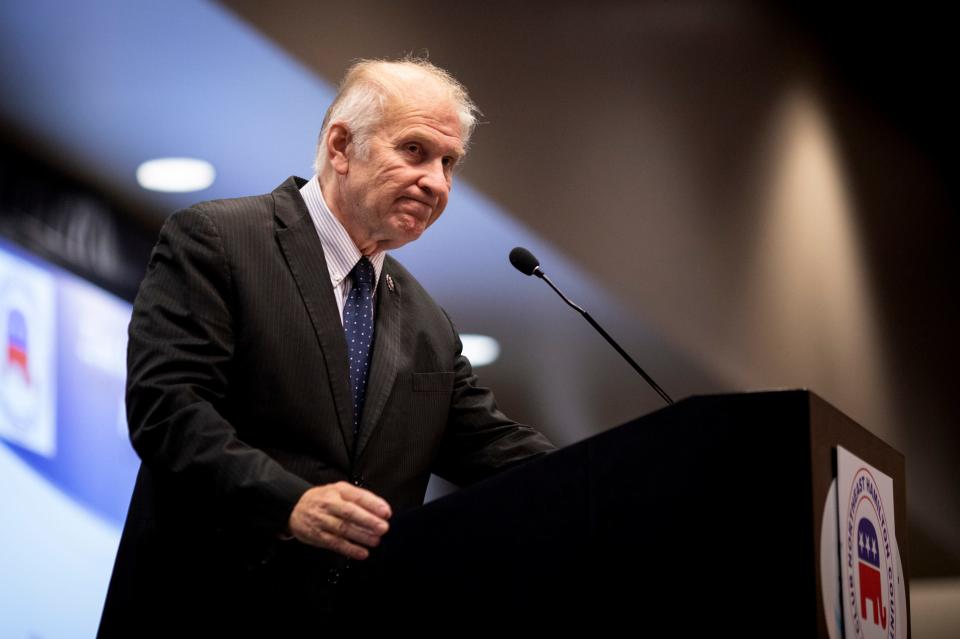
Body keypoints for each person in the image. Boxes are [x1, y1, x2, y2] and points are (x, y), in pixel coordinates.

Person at [97, 57, 556, 636]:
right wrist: (287, 502)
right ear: (341, 146)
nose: (437, 182)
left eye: (449, 163)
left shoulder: (428, 324)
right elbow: (169, 411)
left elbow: (500, 451)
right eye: (415, 151)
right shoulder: (219, 240)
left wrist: (617, 479)